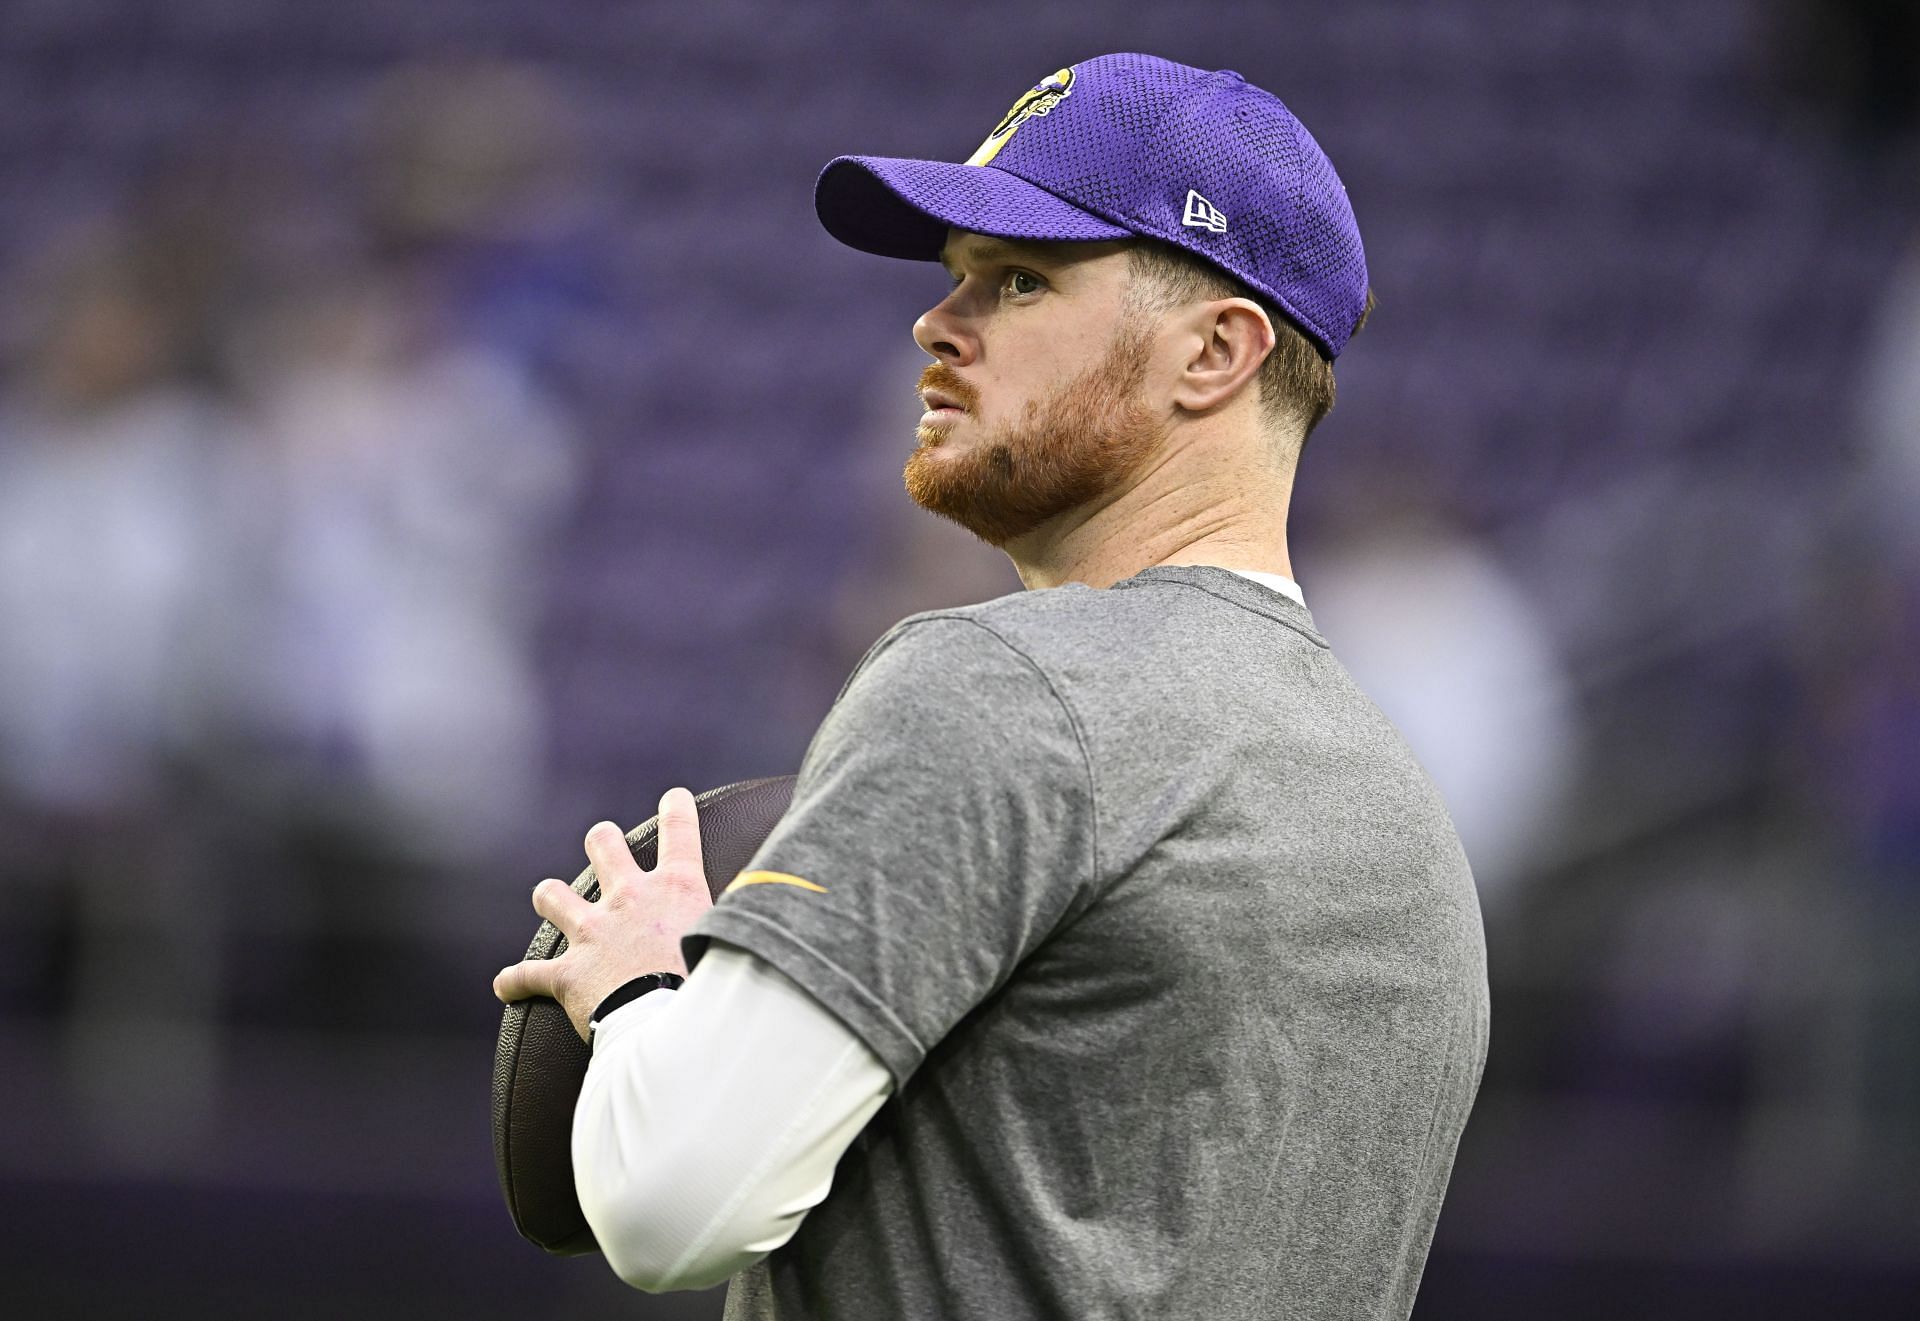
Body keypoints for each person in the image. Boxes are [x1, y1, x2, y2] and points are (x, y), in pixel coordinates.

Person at [494, 52, 1489, 1321]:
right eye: (956, 275)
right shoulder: (1400, 815)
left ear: (1216, 353)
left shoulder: (997, 683)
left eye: (1021, 280)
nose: (936, 321)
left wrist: (639, 989)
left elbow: (672, 1203)